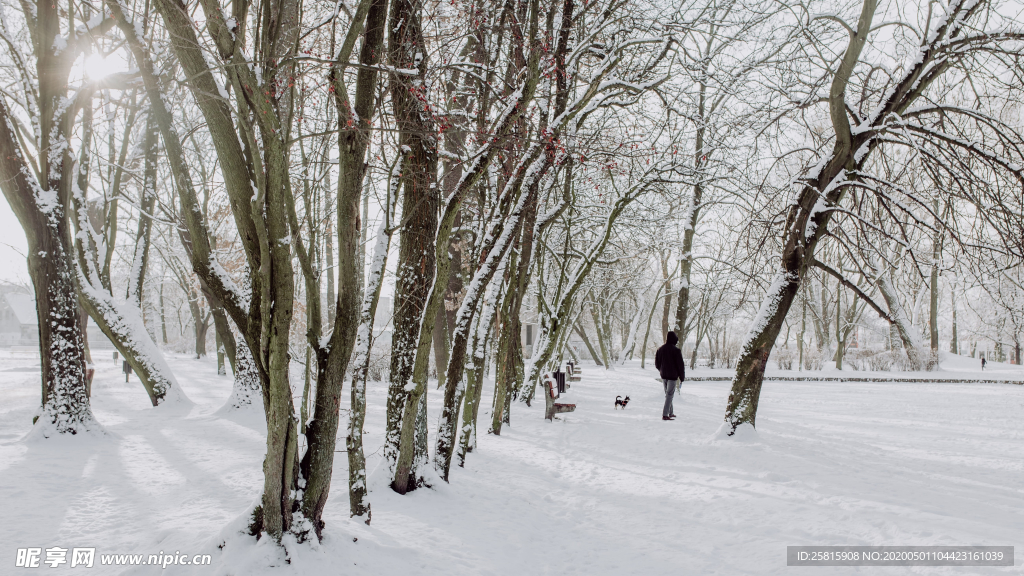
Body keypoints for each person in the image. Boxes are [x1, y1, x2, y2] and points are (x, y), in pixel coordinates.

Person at [655, 331, 686, 421]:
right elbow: (680, 365)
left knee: (668, 394)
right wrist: (682, 377)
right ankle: (665, 415)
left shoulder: (660, 349)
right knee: (669, 395)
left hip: (664, 375)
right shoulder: (676, 351)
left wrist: (661, 370)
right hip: (672, 376)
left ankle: (670, 412)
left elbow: (657, 364)